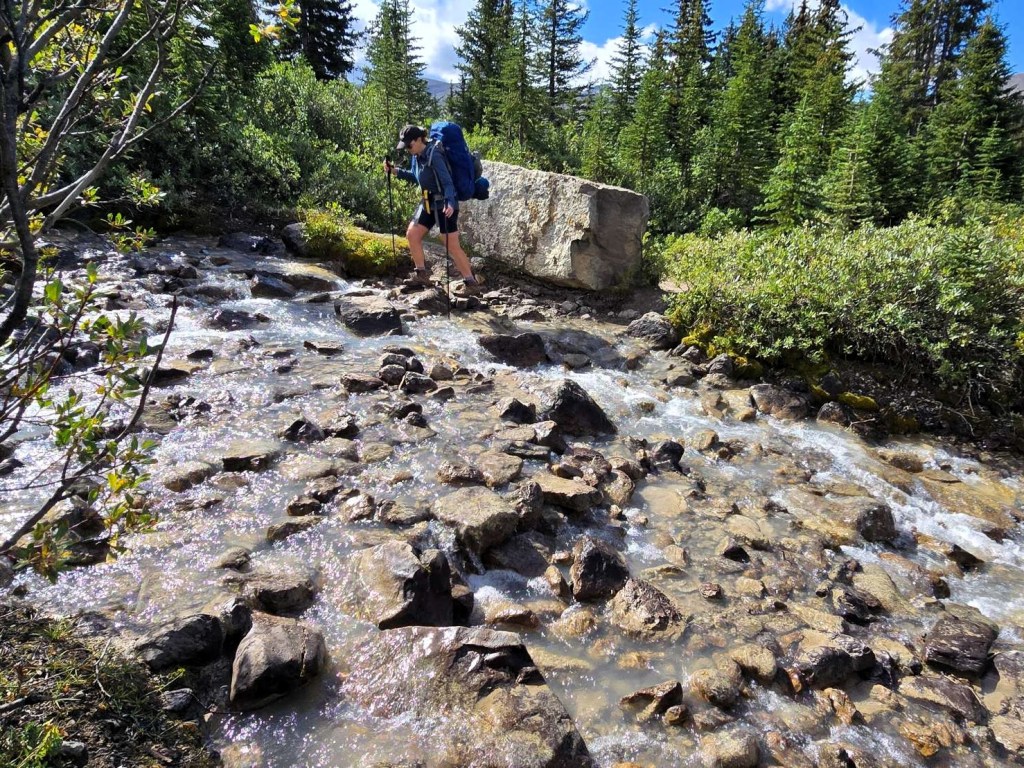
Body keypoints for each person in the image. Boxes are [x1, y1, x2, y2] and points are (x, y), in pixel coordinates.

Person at [384, 124, 483, 295]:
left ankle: (471, 283)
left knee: (450, 244)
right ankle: (421, 274)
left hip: (444, 204)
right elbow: (417, 178)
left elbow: (447, 182)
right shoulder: (417, 156)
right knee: (412, 234)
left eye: (409, 145)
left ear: (418, 140)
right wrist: (395, 171)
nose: (407, 149)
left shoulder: (434, 154)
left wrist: (450, 202)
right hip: (428, 203)